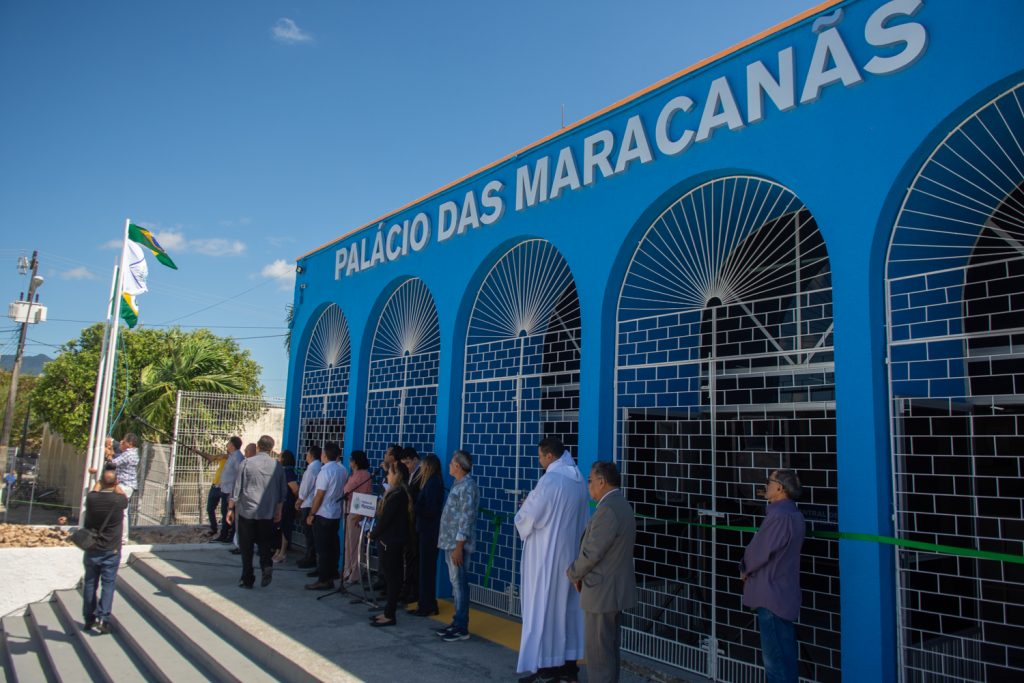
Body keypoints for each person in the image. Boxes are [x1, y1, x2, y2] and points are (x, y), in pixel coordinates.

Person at [514, 438, 588, 683]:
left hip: (546, 557)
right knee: (567, 611)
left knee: (544, 608)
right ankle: (568, 666)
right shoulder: (577, 479)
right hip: (570, 556)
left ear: (548, 456)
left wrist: (523, 509)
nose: (539, 461)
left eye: (540, 457)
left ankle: (546, 667)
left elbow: (531, 515)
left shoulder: (550, 480)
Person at [567, 461, 637, 683]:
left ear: (601, 481)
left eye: (590, 481)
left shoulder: (608, 509)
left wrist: (573, 573)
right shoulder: (621, 504)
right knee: (608, 651)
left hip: (602, 592)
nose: (588, 486)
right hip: (612, 591)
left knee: (598, 655)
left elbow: (592, 552)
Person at [740, 469, 806, 683]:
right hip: (783, 593)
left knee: (775, 663)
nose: (766, 485)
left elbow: (760, 551)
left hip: (771, 594)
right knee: (785, 658)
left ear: (780, 488)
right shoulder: (794, 515)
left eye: (769, 481)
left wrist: (744, 568)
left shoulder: (778, 516)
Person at [226, 435, 287, 589]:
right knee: (265, 542)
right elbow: (282, 492)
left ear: (258, 446)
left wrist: (230, 509)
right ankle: (266, 564)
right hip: (267, 512)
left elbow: (237, 488)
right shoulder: (277, 466)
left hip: (247, 511)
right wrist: (279, 510)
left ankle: (247, 578)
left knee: (246, 546)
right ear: (271, 449)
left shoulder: (247, 463)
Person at [436, 449, 478, 642]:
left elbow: (466, 518)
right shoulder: (458, 484)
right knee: (455, 583)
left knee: (459, 584)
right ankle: (457, 621)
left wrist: (459, 547)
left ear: (458, 466)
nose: (449, 466)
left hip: (457, 544)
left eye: (452, 463)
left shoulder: (468, 486)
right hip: (449, 541)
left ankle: (461, 625)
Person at [81, 469, 128, 634]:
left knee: (89, 584)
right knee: (108, 585)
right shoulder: (120, 500)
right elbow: (121, 493)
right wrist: (115, 484)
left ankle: (88, 618)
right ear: (115, 483)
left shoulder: (92, 499)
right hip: (111, 549)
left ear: (100, 482)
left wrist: (100, 481)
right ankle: (103, 618)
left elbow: (94, 490)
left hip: (92, 548)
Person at [369, 461, 412, 627]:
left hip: (391, 542)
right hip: (389, 540)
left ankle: (390, 614)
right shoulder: (395, 493)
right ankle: (388, 611)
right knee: (390, 577)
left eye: (390, 473)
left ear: (397, 476)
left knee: (393, 578)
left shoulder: (398, 495)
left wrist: (374, 534)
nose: (387, 475)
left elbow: (386, 519)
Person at [305, 442, 347, 590]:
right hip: (335, 513)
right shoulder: (342, 470)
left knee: (322, 549)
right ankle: (331, 573)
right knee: (331, 547)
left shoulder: (325, 471)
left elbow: (319, 494)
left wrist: (312, 513)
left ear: (324, 455)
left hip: (323, 513)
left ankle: (324, 579)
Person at [410, 454, 444, 616]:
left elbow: (431, 509)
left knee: (426, 569)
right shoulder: (432, 482)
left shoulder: (432, 484)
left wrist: (415, 507)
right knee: (425, 568)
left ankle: (426, 605)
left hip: (429, 531)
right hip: (427, 530)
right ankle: (427, 602)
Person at [342, 450, 372, 584]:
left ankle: (355, 572)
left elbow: (358, 492)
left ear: (355, 461)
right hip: (350, 510)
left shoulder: (362, 475)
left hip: (357, 513)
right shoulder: (355, 474)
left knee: (354, 544)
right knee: (349, 543)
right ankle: (348, 570)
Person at [399, 447, 422, 604]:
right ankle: (406, 587)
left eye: (408, 462)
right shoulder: (409, 474)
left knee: (414, 557)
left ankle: (414, 590)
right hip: (407, 522)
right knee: (408, 556)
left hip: (416, 523)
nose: (407, 466)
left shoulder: (421, 474)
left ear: (415, 459)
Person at [295, 445, 323, 568]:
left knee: (309, 533)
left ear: (311, 455)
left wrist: (299, 499)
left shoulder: (312, 469)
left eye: (307, 454)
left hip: (308, 503)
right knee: (311, 534)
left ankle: (310, 557)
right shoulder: (319, 467)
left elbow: (306, 487)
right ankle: (310, 556)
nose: (306, 456)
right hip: (313, 503)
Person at [110, 432, 140, 545]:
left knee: (122, 512)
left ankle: (123, 538)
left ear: (130, 443)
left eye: (124, 441)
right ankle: (121, 536)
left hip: (125, 486)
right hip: (126, 485)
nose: (122, 442)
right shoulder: (131, 453)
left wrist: (108, 455)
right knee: (121, 511)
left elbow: (112, 464)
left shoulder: (128, 454)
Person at [272, 450, 300, 563]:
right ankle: (278, 549)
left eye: (280, 456)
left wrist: (297, 501)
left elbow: (295, 489)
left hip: (287, 504)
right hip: (280, 503)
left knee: (284, 528)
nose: (278, 458)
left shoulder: (288, 473)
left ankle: (283, 551)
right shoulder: (281, 471)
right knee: (278, 527)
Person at [215, 437, 244, 543]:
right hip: (225, 489)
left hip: (230, 491)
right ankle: (225, 534)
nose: (227, 445)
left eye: (228, 443)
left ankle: (228, 535)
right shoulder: (232, 456)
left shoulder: (238, 457)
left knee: (228, 513)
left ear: (232, 445)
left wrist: (233, 493)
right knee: (224, 512)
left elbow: (238, 475)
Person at [200, 441, 231, 537]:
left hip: (225, 487)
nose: (226, 446)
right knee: (210, 508)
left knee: (224, 511)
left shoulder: (232, 457)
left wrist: (215, 456)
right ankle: (214, 528)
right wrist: (198, 451)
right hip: (215, 485)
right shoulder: (223, 457)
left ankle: (226, 530)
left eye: (229, 445)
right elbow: (210, 457)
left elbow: (214, 457)